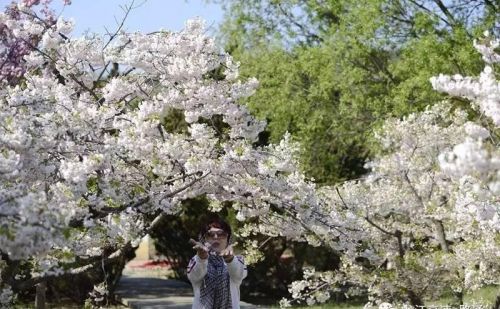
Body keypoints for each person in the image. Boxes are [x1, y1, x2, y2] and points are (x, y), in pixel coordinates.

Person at [187, 217, 247, 309]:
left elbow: (238, 275)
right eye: (210, 234)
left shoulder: (238, 259)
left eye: (221, 234)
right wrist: (202, 259)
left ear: (228, 238)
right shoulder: (196, 260)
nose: (216, 237)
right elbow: (194, 276)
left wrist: (230, 260)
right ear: (204, 238)